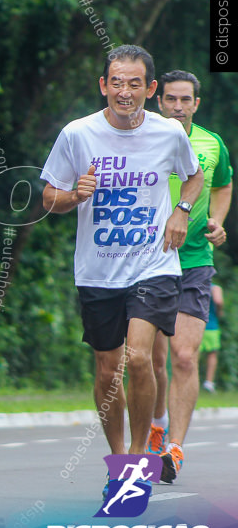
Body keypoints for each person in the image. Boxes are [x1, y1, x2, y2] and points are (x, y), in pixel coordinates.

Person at [40, 45, 202, 498]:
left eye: (135, 84)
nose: (125, 92)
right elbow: (47, 198)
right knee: (107, 368)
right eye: (117, 82)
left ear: (151, 89)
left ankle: (137, 456)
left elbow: (193, 176)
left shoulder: (168, 133)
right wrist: (74, 195)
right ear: (103, 85)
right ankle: (118, 459)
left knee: (138, 357)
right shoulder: (77, 134)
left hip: (154, 265)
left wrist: (181, 212)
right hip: (97, 271)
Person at [148, 70, 231, 483]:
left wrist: (216, 221)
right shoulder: (139, 138)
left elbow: (223, 186)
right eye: (170, 99)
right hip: (144, 261)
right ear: (157, 100)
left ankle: (174, 449)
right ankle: (156, 421)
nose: (177, 106)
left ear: (196, 103)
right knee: (149, 359)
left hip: (194, 261)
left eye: (185, 100)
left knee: (183, 356)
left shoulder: (212, 143)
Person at [201, 283, 223, 393]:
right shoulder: (215, 288)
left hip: (197, 325)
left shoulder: (196, 286)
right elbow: (218, 301)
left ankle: (192, 377)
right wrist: (219, 312)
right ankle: (209, 382)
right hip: (212, 325)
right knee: (212, 354)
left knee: (194, 355)